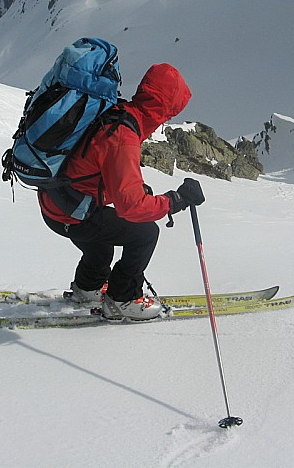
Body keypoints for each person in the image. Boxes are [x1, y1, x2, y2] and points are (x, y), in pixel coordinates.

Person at [38, 62, 205, 321]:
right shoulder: (123, 136)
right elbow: (132, 208)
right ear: (163, 109)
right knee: (145, 233)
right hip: (71, 212)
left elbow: (95, 167)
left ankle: (87, 289)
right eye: (171, 112)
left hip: (56, 202)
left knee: (102, 243)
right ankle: (122, 299)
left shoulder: (116, 112)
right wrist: (175, 201)